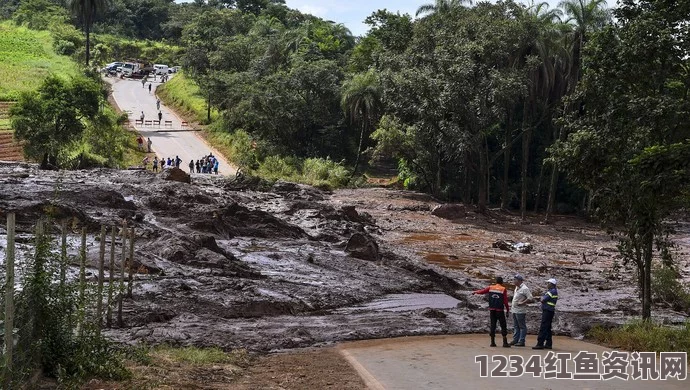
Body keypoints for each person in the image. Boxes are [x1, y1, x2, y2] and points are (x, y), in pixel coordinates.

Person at [473, 277, 511, 348]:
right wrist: (508, 310)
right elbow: (505, 301)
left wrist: (475, 292)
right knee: (503, 325)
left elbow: (482, 291)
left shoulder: (491, 287)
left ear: (496, 281)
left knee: (493, 324)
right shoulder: (503, 289)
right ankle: (505, 342)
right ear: (502, 282)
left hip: (492, 309)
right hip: (500, 310)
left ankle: (492, 342)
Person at [533, 278, 558, 350]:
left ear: (551, 284)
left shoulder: (551, 292)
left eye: (548, 283)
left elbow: (543, 299)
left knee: (543, 327)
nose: (547, 285)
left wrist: (542, 298)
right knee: (547, 328)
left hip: (547, 311)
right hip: (550, 311)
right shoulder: (553, 291)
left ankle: (540, 343)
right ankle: (548, 344)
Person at [510, 274, 533, 347]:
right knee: (516, 326)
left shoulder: (525, 288)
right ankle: (515, 339)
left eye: (515, 280)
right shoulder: (516, 287)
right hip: (514, 310)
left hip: (520, 310)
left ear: (519, 281)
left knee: (522, 326)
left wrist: (523, 302)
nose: (514, 281)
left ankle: (521, 340)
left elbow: (530, 297)